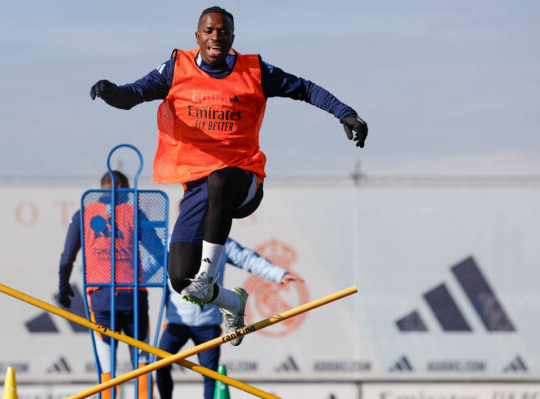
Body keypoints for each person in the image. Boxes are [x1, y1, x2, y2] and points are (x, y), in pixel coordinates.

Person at [90, 6, 369, 346]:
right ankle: (232, 302)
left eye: (222, 32)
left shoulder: (255, 71)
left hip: (245, 183)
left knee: (220, 179)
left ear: (232, 38)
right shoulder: (175, 68)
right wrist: (110, 91)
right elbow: (131, 96)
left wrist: (346, 113)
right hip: (198, 190)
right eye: (209, 31)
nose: (216, 37)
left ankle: (207, 277)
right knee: (179, 279)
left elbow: (305, 88)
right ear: (198, 37)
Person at [58, 170, 163, 399]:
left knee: (106, 368)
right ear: (124, 187)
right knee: (143, 362)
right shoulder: (134, 212)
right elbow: (158, 251)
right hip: (133, 296)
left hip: (101, 298)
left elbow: (67, 256)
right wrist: (159, 273)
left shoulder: (83, 214)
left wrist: (63, 285)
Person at [155, 237, 302, 399]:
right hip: (177, 321)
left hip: (208, 323)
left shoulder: (219, 239)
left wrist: (278, 273)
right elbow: (151, 262)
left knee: (211, 375)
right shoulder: (173, 239)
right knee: (160, 366)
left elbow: (247, 259)